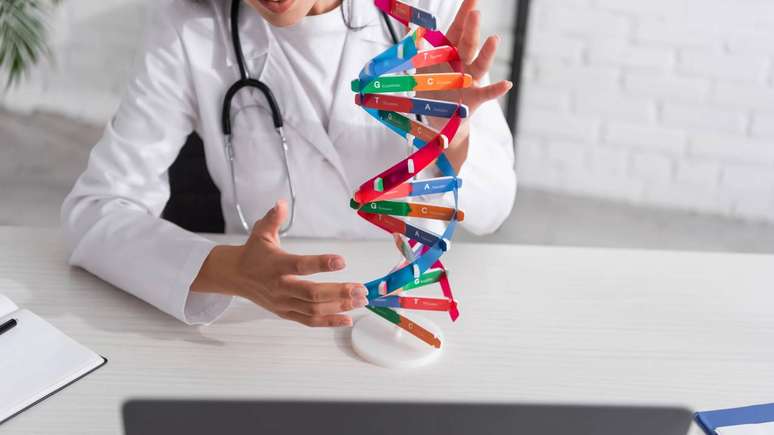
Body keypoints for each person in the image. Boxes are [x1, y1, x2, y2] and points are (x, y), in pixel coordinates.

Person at [61, 0, 517, 329]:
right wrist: (228, 271)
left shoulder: (426, 12)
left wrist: (451, 133)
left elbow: (493, 208)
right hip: (265, 322)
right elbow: (95, 210)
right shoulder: (189, 26)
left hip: (412, 309)